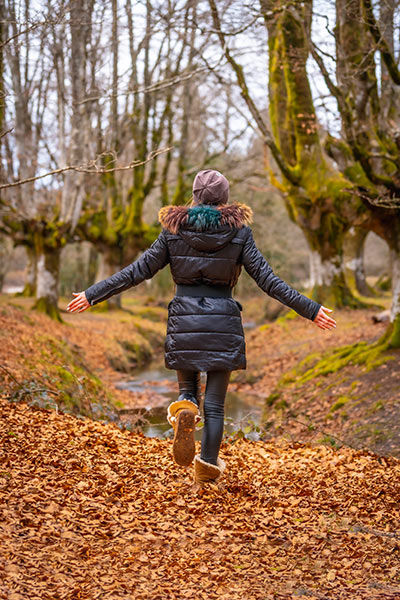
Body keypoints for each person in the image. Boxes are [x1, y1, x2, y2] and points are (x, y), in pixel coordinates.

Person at [67, 169, 336, 487]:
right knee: (215, 405)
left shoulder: (172, 231)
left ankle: (185, 405)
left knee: (189, 392)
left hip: (185, 321)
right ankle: (207, 466)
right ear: (224, 199)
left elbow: (137, 271)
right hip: (223, 322)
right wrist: (312, 309)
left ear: (194, 197)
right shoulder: (240, 234)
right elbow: (269, 281)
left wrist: (92, 294)